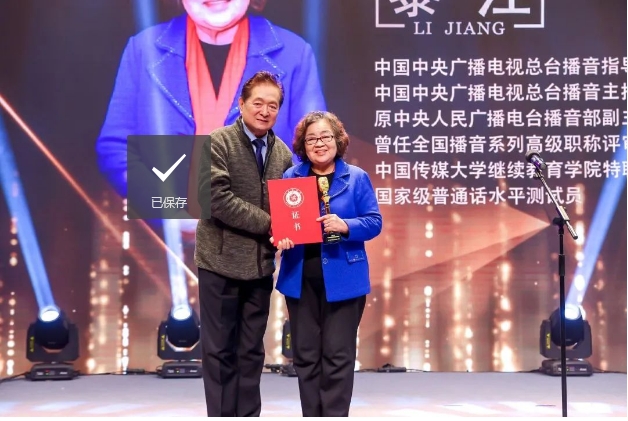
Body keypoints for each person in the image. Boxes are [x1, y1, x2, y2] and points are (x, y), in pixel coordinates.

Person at [95, 0, 326, 330]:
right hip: (165, 253)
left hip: (262, 249)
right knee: (181, 343)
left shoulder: (293, 52)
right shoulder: (143, 48)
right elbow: (114, 147)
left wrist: (279, 227)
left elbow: (314, 153)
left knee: (249, 342)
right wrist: (170, 209)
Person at [271, 111, 383, 417]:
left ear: (338, 140)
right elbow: (281, 223)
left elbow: (374, 222)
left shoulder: (356, 177)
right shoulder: (291, 177)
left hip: (345, 278)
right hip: (300, 278)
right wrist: (281, 237)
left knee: (338, 355)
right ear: (303, 145)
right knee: (305, 356)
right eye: (311, 139)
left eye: (325, 137)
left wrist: (346, 225)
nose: (319, 144)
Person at [195, 70, 294, 417]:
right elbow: (216, 199)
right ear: (241, 104)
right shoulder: (218, 141)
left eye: (273, 105)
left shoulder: (282, 153)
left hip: (259, 267)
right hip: (219, 264)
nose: (265, 111)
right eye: (258, 103)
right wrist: (271, 224)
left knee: (251, 352)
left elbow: (290, 204)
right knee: (220, 350)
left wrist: (290, 226)